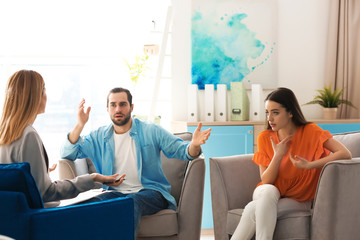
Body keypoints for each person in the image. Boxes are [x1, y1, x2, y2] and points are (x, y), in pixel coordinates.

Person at [60, 87, 211, 237]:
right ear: (107, 109)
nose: (118, 109)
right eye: (113, 105)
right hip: (114, 193)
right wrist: (80, 125)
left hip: (150, 192)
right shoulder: (98, 137)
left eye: (123, 104)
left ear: (131, 107)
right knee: (92, 204)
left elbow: (182, 151)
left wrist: (194, 145)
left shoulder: (151, 130)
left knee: (129, 203)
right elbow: (68, 153)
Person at [230, 87, 352, 240]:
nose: (270, 118)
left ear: (290, 112)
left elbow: (345, 154)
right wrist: (278, 155)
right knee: (267, 192)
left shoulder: (310, 131)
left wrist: (309, 165)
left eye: (275, 112)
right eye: (267, 112)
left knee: (253, 209)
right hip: (267, 193)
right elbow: (266, 181)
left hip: (299, 200)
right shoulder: (264, 137)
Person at [0, 70, 124, 206]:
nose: (46, 96)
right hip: (43, 216)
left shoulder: (5, 133)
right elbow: (46, 193)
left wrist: (43, 171)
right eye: (43, 90)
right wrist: (93, 178)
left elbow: (15, 179)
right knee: (115, 201)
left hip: (16, 216)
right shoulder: (29, 135)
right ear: (35, 96)